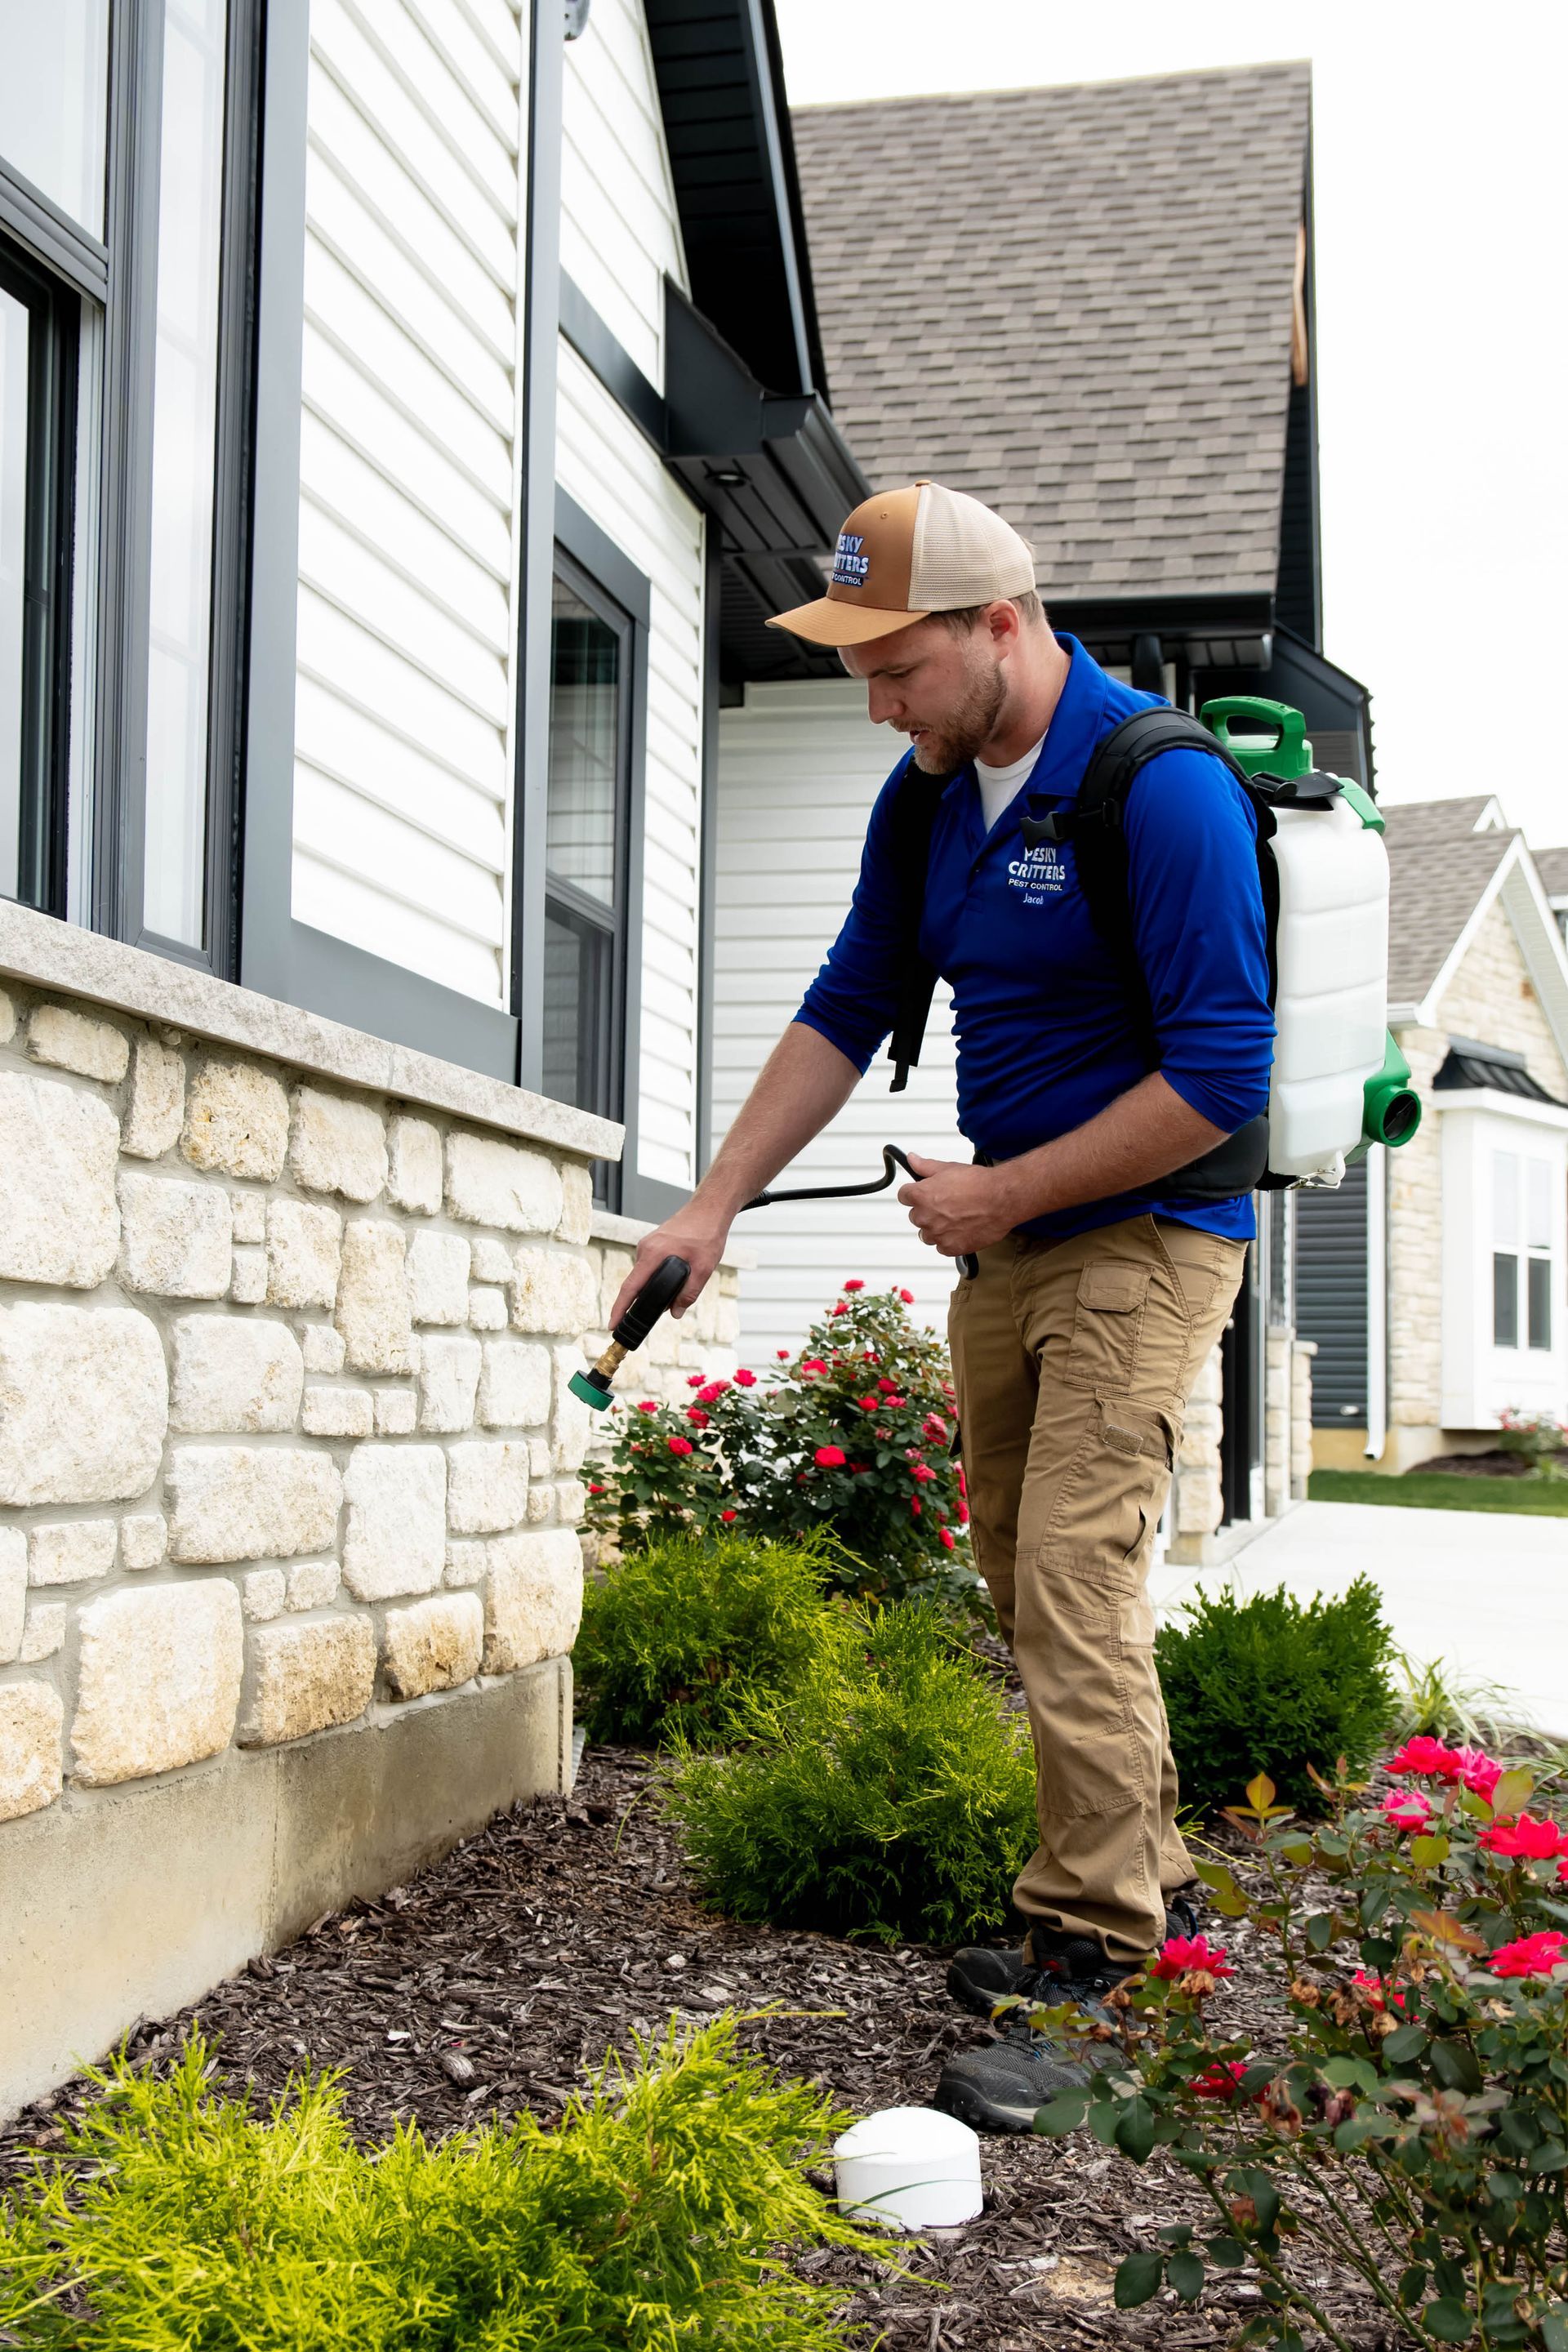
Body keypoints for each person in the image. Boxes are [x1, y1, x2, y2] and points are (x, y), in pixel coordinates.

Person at [608, 479, 1273, 2132]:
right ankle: (1147, 1895)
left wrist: (1000, 1192)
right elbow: (851, 1003)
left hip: (1147, 1235)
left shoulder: (1155, 788)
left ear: (1001, 623)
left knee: (1073, 1572)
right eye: (860, 669)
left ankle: (1109, 1977)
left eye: (897, 665)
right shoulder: (926, 801)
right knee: (1023, 1576)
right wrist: (711, 1200)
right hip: (1014, 1247)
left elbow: (1222, 1077)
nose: (878, 700)